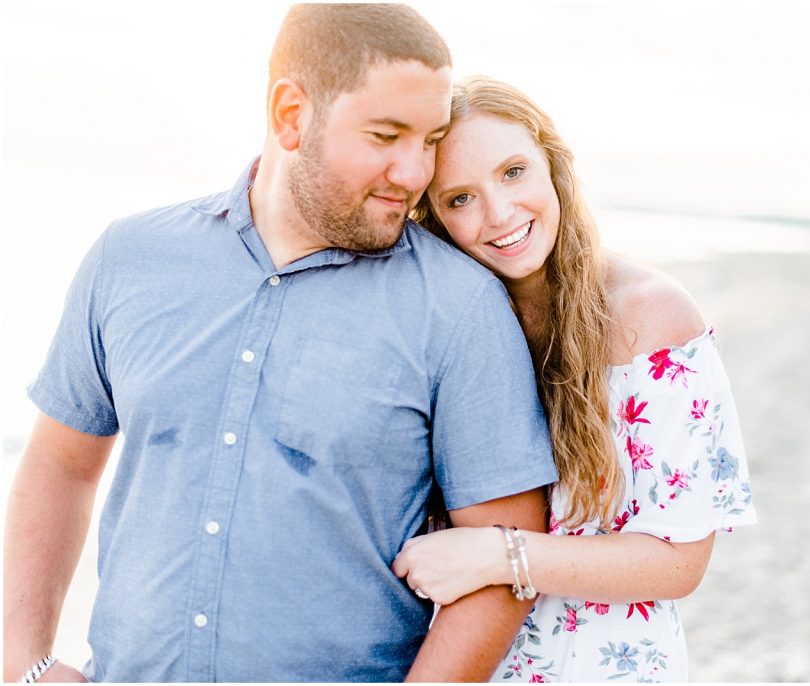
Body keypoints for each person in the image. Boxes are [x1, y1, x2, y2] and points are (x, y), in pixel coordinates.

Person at [3, 7, 558, 683]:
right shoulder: (130, 258)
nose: (415, 173)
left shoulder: (460, 307)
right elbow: (60, 463)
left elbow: (500, 562)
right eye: (387, 135)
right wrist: (25, 662)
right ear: (291, 112)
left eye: (431, 139)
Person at [393, 76, 757, 682]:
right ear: (433, 217)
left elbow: (678, 563)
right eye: (461, 199)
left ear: (552, 164)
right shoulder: (444, 329)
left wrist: (501, 557)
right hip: (465, 662)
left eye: (513, 173)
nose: (500, 214)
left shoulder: (652, 316)